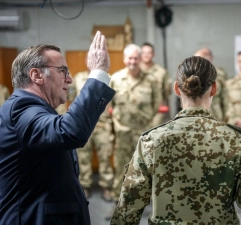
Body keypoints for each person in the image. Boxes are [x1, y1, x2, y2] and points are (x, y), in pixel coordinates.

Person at [110, 56, 241, 225]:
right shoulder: (237, 140)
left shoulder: (152, 140)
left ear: (177, 89)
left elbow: (128, 209)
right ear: (214, 88)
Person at [0, 31, 115, 225]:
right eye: (63, 71)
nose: (69, 80)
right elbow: (68, 131)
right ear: (36, 75)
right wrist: (98, 74)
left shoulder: (36, 108)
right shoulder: (21, 108)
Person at [109, 43, 161, 217]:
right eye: (129, 58)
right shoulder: (115, 79)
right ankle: (119, 205)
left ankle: (149, 205)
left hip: (144, 134)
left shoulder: (151, 80)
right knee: (121, 168)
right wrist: (116, 125)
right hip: (123, 132)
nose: (132, 61)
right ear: (124, 59)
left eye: (135, 58)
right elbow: (111, 106)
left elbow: (158, 107)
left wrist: (151, 130)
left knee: (147, 168)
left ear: (141, 59)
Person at [68, 68, 114, 201]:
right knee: (83, 157)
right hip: (83, 123)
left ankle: (107, 187)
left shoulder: (108, 77)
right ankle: (85, 186)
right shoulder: (78, 77)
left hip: (103, 124)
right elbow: (71, 98)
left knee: (105, 157)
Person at [140, 42, 172, 126]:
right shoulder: (135, 71)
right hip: (138, 111)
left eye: (149, 53)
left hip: (156, 112)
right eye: (144, 53)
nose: (146, 55)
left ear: (153, 54)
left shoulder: (161, 72)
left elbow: (167, 92)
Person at [194, 47, 229, 122]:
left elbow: (226, 97)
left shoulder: (220, 74)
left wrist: (227, 117)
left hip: (216, 116)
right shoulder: (192, 74)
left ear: (210, 58)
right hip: (197, 117)